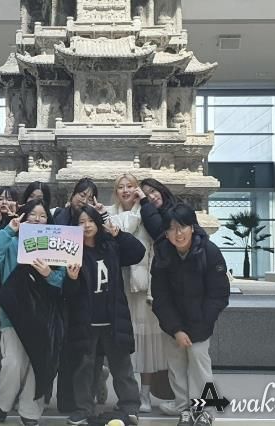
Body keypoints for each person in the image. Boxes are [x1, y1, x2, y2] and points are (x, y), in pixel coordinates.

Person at [0, 199, 65, 426]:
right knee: (13, 363)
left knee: (38, 364)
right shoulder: (12, 242)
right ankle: (2, 400)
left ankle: (30, 410)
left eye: (43, 215)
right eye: (33, 215)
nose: (38, 219)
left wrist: (49, 274)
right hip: (14, 313)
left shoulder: (57, 244)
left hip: (45, 314)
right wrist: (9, 229)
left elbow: (64, 280)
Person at [64, 205, 146, 426]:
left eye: (90, 221)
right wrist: (71, 279)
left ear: (98, 223)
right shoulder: (71, 252)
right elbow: (68, 294)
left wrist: (118, 234)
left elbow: (138, 252)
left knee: (122, 366)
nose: (86, 226)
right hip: (85, 320)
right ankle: (84, 409)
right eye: (81, 222)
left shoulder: (110, 246)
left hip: (113, 318)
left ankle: (130, 407)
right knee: (84, 367)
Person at [151, 204, 230, 426]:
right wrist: (176, 329)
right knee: (176, 365)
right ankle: (183, 407)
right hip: (172, 323)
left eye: (182, 227)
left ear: (192, 227)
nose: (178, 234)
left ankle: (203, 411)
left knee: (199, 364)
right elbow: (160, 296)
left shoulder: (209, 252)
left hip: (201, 322)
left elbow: (219, 294)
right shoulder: (162, 254)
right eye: (171, 228)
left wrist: (199, 326)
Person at [107, 174, 171, 413]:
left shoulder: (147, 214)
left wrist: (154, 286)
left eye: (130, 186)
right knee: (120, 342)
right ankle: (126, 394)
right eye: (120, 187)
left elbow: (155, 250)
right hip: (117, 285)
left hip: (143, 288)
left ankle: (144, 394)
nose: (125, 190)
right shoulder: (107, 215)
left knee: (146, 343)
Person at [54, 177, 109, 411]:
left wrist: (101, 216)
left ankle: (89, 396)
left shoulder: (95, 221)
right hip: (62, 289)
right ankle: (67, 401)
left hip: (89, 294)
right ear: (72, 194)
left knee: (91, 351)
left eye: (89, 196)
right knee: (68, 349)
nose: (84, 199)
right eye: (81, 194)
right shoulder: (60, 215)